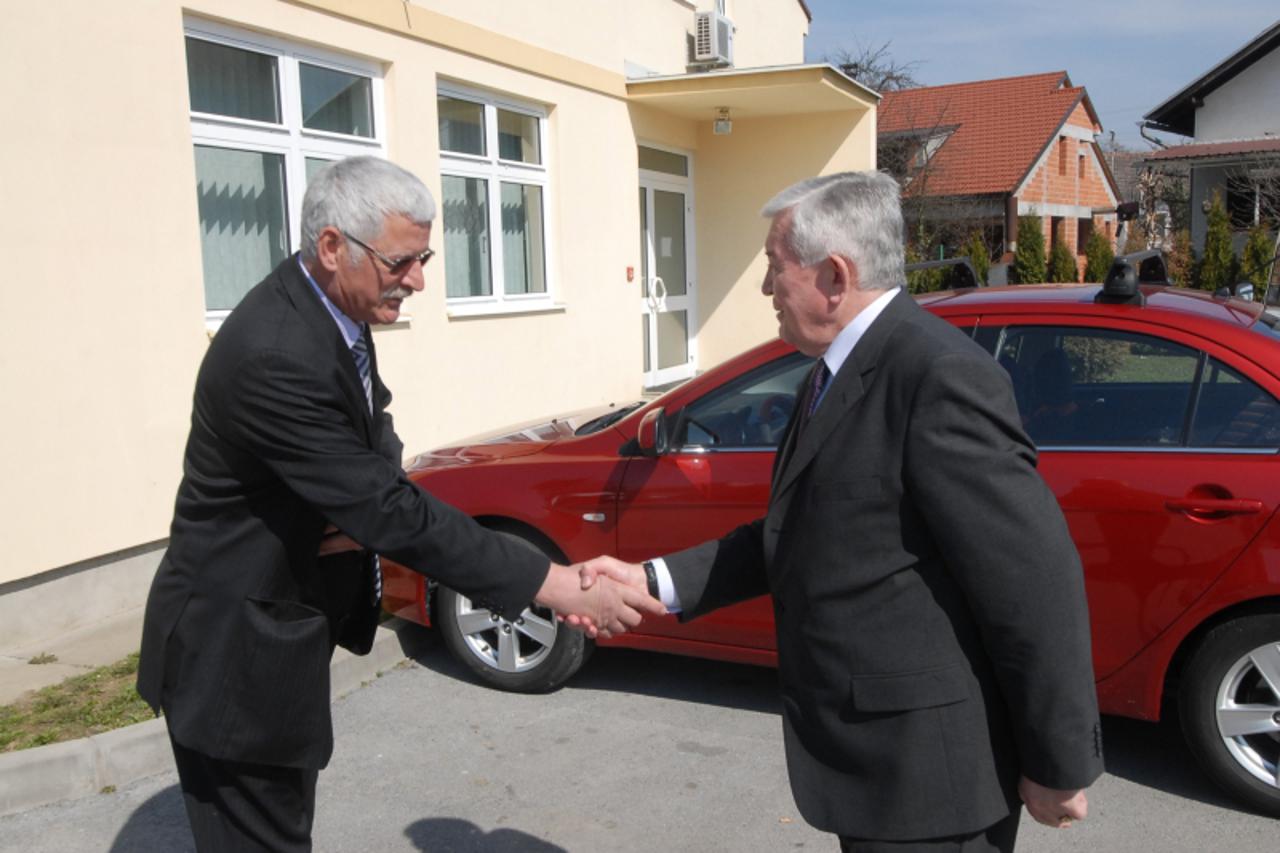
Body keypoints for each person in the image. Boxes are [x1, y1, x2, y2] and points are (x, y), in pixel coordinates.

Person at [137, 156, 664, 851]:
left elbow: (375, 438)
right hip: (233, 658)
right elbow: (387, 505)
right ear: (332, 247)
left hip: (276, 639)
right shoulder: (277, 351)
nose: (417, 280)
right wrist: (557, 583)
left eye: (425, 257)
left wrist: (354, 506)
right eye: (401, 262)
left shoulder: (336, 313)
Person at [580, 171, 1102, 852]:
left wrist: (1057, 762)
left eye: (774, 266)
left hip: (931, 785)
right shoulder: (833, 371)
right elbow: (799, 533)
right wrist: (650, 582)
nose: (766, 288)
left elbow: (1032, 578)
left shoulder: (936, 375)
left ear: (833, 274)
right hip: (875, 770)